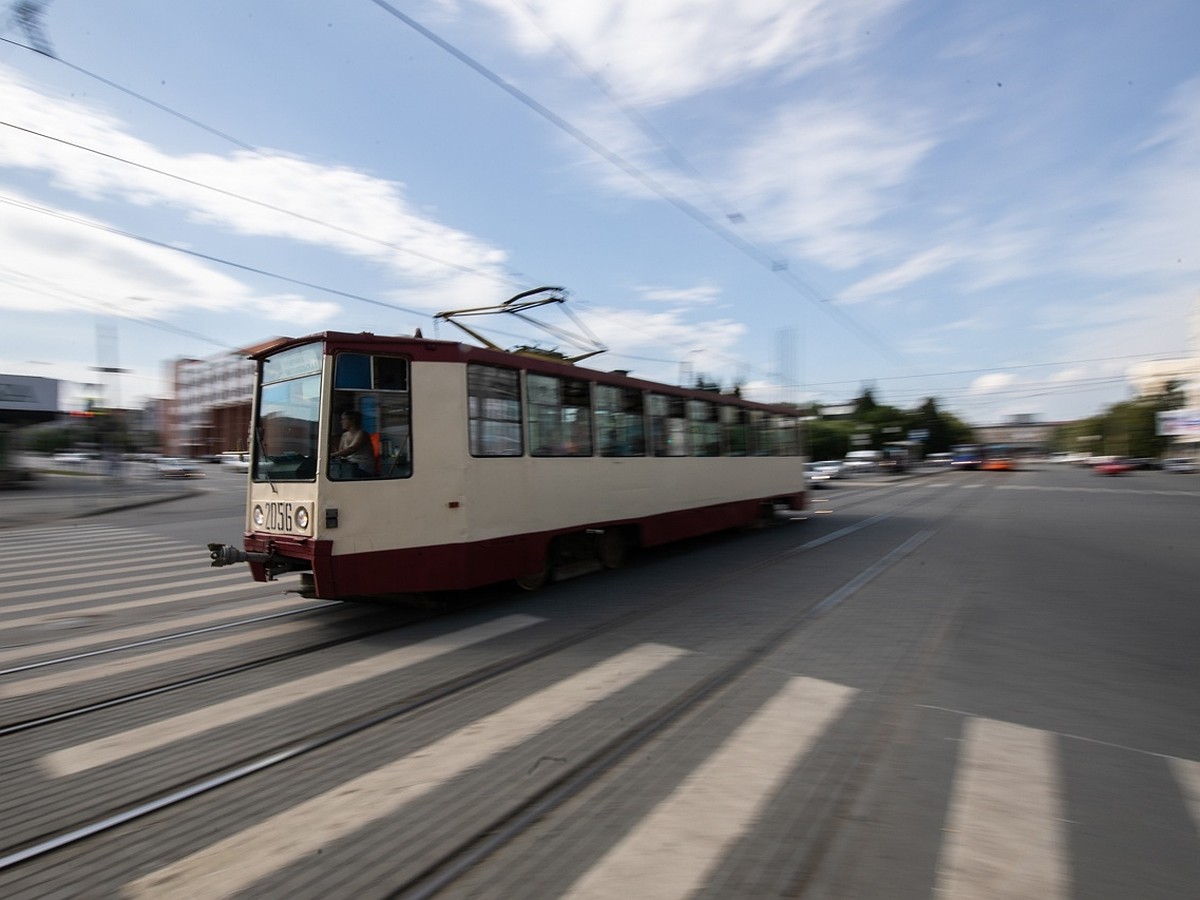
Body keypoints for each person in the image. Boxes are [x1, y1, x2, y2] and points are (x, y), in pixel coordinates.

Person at [331, 410, 375, 477]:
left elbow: (352, 449)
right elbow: (341, 453)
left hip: (363, 467)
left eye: (344, 419)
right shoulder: (344, 435)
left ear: (353, 421)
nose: (341, 422)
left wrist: (331, 455)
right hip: (349, 466)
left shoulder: (362, 434)